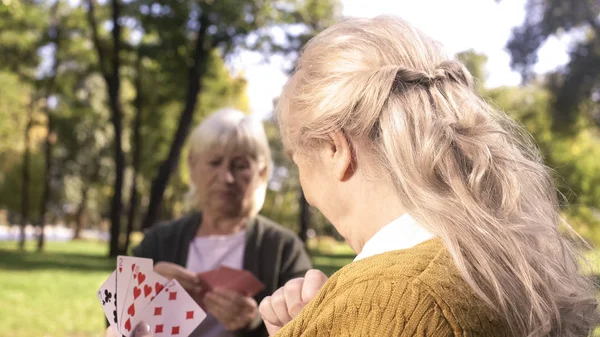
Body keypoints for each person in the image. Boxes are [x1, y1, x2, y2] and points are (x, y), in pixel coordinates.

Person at [258, 15, 600, 337]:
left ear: (336, 149)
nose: (306, 191)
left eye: (296, 159)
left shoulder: (395, 297)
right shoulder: (492, 267)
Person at [114, 108, 312, 337]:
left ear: (261, 173)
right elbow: (114, 320)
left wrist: (255, 321)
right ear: (193, 165)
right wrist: (145, 290)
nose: (226, 177)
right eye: (215, 162)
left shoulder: (283, 249)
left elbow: (311, 325)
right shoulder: (158, 241)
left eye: (240, 166)